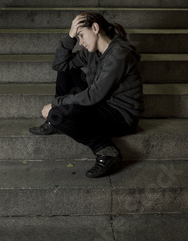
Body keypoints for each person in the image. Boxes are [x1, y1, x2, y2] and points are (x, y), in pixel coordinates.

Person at [29, 12, 144, 178]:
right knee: (66, 71)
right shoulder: (94, 51)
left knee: (58, 113)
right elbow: (60, 64)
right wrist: (70, 37)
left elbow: (94, 95)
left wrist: (57, 104)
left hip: (121, 116)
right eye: (78, 37)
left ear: (95, 28)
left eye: (81, 35)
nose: (80, 42)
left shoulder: (119, 55)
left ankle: (105, 150)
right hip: (103, 104)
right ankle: (54, 122)